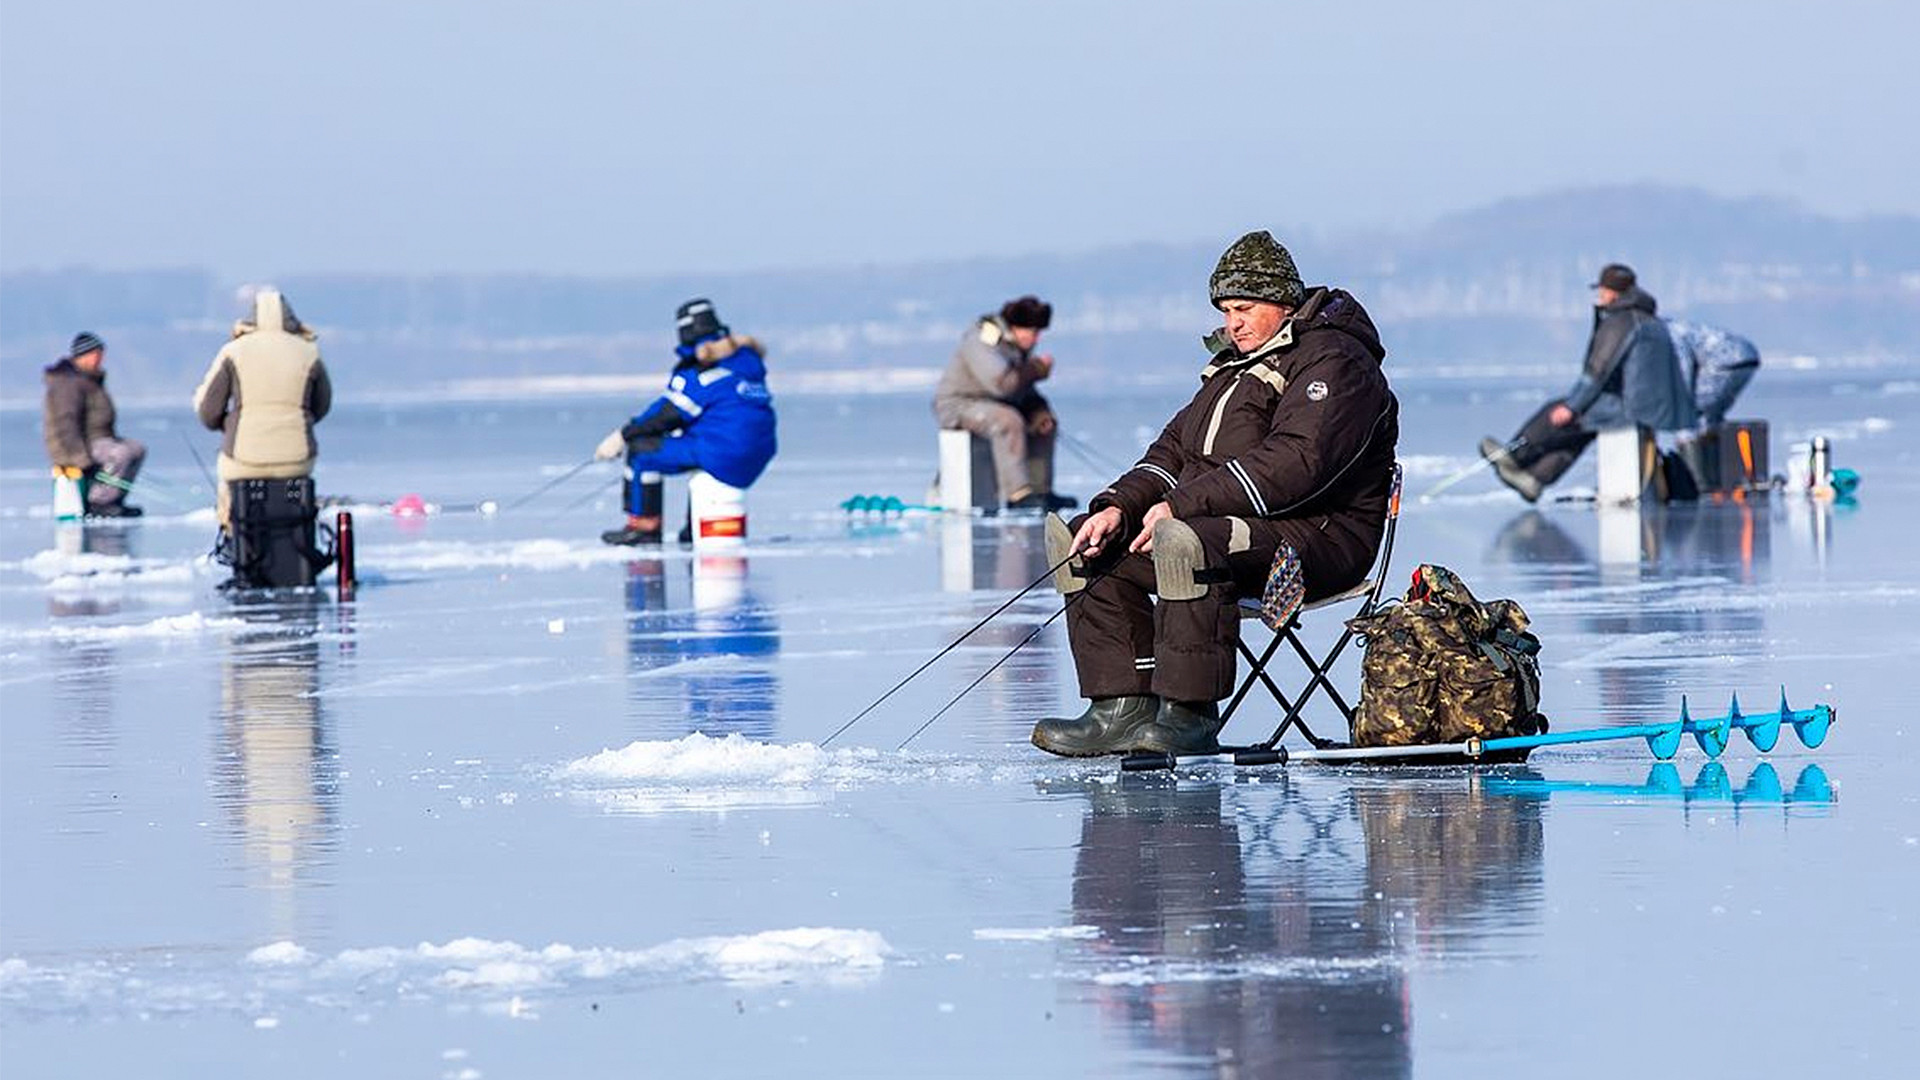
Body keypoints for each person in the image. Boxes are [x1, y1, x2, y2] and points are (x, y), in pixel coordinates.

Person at [1031, 231, 1400, 757]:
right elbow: (1171, 454)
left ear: (1282, 301)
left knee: (1188, 542)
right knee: (1089, 547)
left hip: (1321, 539)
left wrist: (1181, 507)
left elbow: (1299, 463)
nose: (1233, 323)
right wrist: (1118, 507)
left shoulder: (1335, 362)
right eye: (1226, 311)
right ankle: (1120, 707)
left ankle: (1188, 715)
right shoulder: (1233, 367)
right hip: (1233, 527)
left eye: (1244, 309)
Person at [1481, 263, 1695, 501]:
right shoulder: (1649, 320)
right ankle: (1536, 478)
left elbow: (1597, 371)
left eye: (1602, 290)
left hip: (1630, 407)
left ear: (1612, 292)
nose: (1599, 295)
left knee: (1558, 413)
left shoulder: (1621, 322)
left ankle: (1514, 455)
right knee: (1582, 429)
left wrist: (1571, 406)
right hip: (1651, 407)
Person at [596, 299, 777, 546]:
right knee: (704, 463)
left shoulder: (701, 370)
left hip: (722, 450)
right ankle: (695, 527)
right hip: (758, 452)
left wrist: (624, 435)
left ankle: (644, 527)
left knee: (642, 453)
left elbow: (667, 415)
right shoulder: (746, 360)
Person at [192, 288, 332, 529]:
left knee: (229, 497)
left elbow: (208, 411)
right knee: (296, 494)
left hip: (242, 460)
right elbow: (322, 406)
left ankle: (232, 532)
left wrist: (227, 424)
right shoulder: (309, 352)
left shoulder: (233, 352)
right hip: (297, 460)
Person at [932, 295, 1076, 511]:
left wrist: (1038, 410)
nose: (1036, 339)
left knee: (1042, 424)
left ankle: (1040, 491)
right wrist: (1035, 369)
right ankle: (1017, 493)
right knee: (1008, 421)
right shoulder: (982, 341)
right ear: (1015, 327)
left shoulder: (1014, 346)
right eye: (1032, 332)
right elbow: (1001, 384)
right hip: (958, 404)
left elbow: (1021, 388)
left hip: (993, 403)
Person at [43, 332, 146, 517]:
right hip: (78, 447)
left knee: (135, 449)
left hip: (101, 440)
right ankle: (99, 502)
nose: (99, 359)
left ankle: (115, 498)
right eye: (94, 354)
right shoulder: (68, 384)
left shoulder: (91, 380)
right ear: (82, 355)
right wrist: (80, 459)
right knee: (120, 454)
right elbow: (65, 425)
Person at [1667, 319, 1760, 428]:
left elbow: (1683, 366)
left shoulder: (1667, 334)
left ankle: (1693, 435)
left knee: (1694, 410)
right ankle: (1717, 433)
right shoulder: (1672, 328)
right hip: (1747, 357)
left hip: (1725, 360)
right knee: (1712, 412)